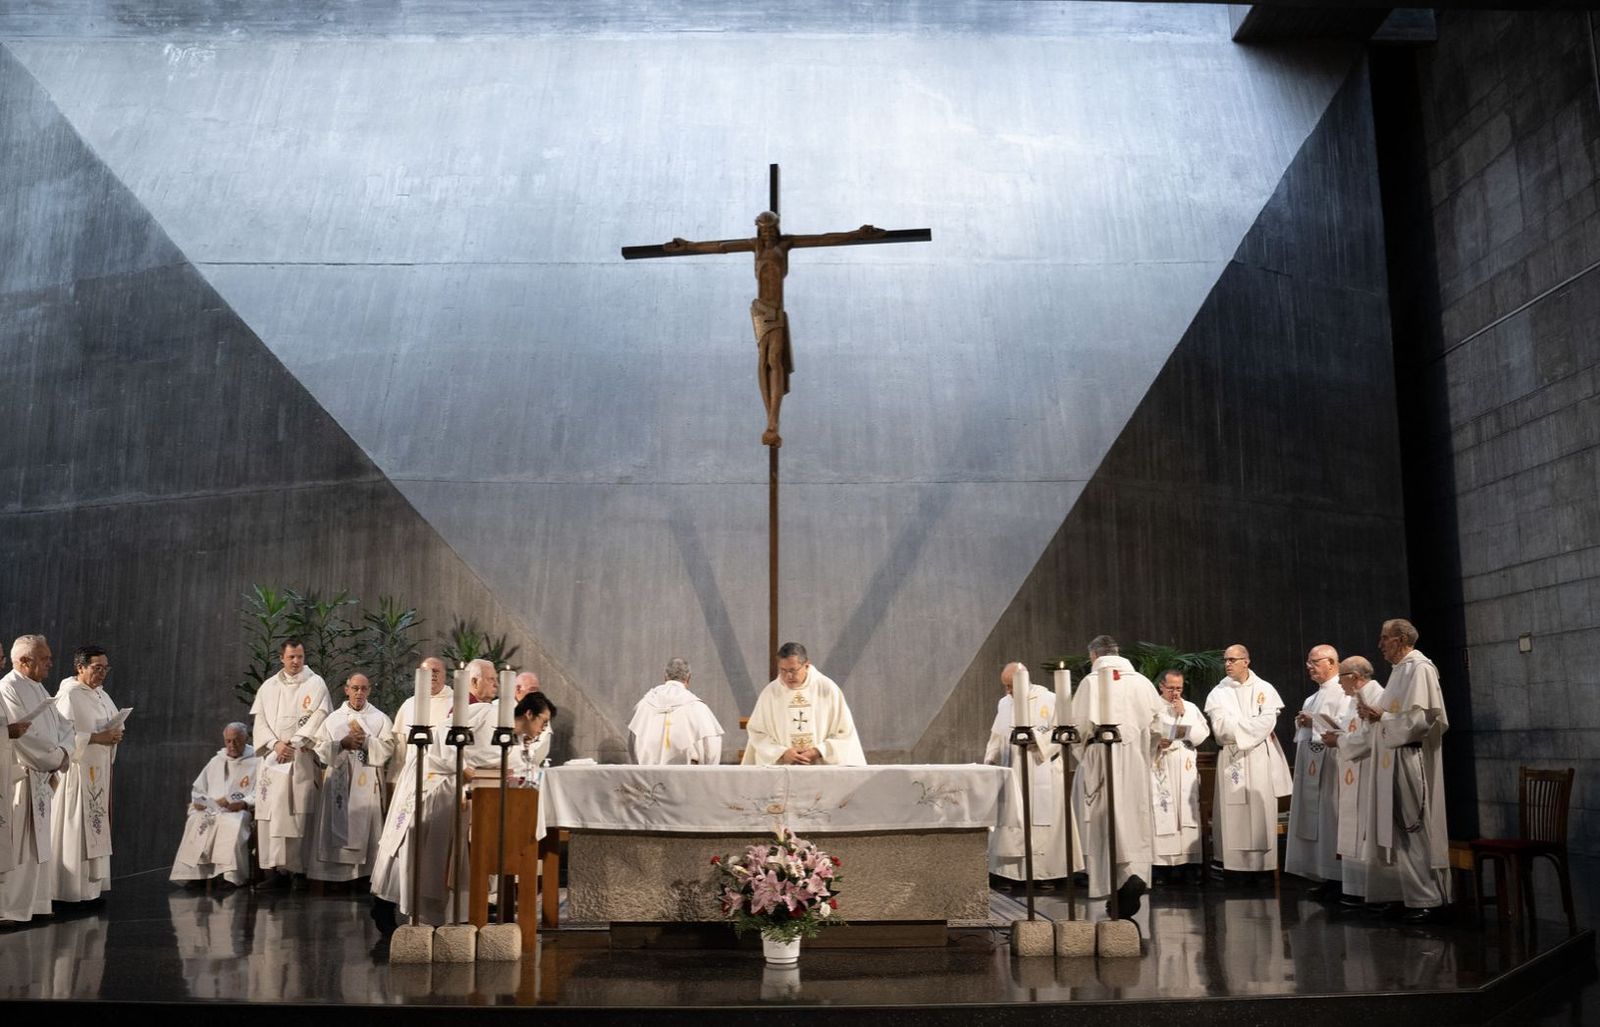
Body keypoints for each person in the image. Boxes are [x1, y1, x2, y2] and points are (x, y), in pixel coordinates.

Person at [1364, 619, 1452, 923]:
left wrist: (1382, 718)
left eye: (1384, 638)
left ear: (1401, 639)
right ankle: (1407, 894)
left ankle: (1428, 898)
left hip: (1411, 758)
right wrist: (1378, 717)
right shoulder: (1399, 671)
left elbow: (1422, 719)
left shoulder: (1420, 668)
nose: (1380, 644)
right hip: (1393, 759)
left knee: (1415, 827)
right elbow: (1394, 713)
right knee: (1397, 830)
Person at [1070, 635, 1162, 918]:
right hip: (1135, 763)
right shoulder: (1143, 683)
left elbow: (1079, 727)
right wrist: (1147, 754)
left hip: (1102, 759)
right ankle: (1133, 876)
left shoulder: (1091, 682)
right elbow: (1157, 727)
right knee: (1134, 820)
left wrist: (1084, 754)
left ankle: (1117, 885)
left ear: (1094, 656)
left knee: (1106, 821)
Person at [371, 656, 452, 931]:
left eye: (437, 672)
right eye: (427, 674)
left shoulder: (456, 705)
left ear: (445, 674)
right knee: (398, 838)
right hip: (410, 780)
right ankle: (387, 900)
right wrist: (394, 782)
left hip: (439, 785)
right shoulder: (409, 705)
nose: (432, 678)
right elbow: (401, 752)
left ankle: (422, 907)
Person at [0, 635, 74, 925]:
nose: (50, 663)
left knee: (38, 847)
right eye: (45, 659)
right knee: (19, 847)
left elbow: (65, 725)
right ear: (25, 661)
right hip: (22, 779)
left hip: (42, 776)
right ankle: (11, 909)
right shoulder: (8, 688)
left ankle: (36, 904)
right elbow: (23, 735)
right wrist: (54, 757)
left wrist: (62, 750)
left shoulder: (39, 687)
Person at [249, 638, 331, 884]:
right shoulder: (268, 687)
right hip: (273, 760)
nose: (296, 661)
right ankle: (273, 872)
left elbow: (320, 716)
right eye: (291, 657)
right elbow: (260, 721)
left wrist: (295, 742)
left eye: (300, 657)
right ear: (281, 658)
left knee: (299, 813)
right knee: (272, 815)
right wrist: (275, 744)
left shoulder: (315, 683)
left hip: (299, 758)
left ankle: (299, 871)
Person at [1204, 643, 1292, 874]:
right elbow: (1220, 728)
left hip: (1259, 758)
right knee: (1233, 812)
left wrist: (1239, 725)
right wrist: (1250, 724)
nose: (1227, 664)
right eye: (1225, 660)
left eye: (1232, 660)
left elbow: (1267, 722)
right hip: (1232, 760)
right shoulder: (1218, 693)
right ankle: (1233, 866)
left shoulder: (1265, 689)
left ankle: (1263, 867)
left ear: (1246, 661)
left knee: (1260, 807)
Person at [984, 662, 1074, 886]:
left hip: (1043, 768)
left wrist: (1039, 744)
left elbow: (1061, 731)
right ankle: (1011, 873)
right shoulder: (1004, 703)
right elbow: (997, 735)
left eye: (1010, 686)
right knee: (1015, 821)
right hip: (1014, 769)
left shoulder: (1050, 699)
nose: (1007, 691)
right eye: (1005, 687)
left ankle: (1046, 874)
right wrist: (989, 759)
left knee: (1044, 823)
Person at [51, 645, 125, 903]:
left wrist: (114, 736)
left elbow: (114, 724)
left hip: (99, 772)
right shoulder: (69, 695)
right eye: (97, 668)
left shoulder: (102, 695)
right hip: (78, 772)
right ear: (80, 667)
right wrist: (97, 737)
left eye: (106, 668)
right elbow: (59, 735)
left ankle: (91, 890)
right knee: (76, 828)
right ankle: (69, 891)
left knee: (94, 825)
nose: (103, 673)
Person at [1327, 656, 1401, 908]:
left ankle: (1375, 892)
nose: (1339, 683)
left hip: (1369, 771)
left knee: (1368, 829)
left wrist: (1339, 742)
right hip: (1352, 770)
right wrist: (1338, 735)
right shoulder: (1353, 700)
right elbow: (1354, 731)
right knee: (1353, 827)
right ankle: (1355, 888)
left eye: (1342, 677)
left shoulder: (1377, 696)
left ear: (1356, 678)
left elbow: (1370, 736)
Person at [307, 673, 392, 883]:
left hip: (367, 779)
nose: (359, 693)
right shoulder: (333, 719)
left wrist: (367, 742)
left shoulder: (380, 718)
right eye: (355, 688)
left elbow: (389, 747)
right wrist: (342, 744)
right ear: (347, 690)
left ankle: (364, 876)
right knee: (337, 823)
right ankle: (335, 877)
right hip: (339, 781)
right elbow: (319, 747)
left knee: (367, 826)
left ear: (369, 690)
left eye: (364, 689)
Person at [741, 642, 865, 765]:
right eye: (783, 670)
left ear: (806, 665)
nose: (788, 676)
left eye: (793, 670)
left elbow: (845, 731)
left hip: (821, 767)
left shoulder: (827, 689)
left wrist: (817, 751)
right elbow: (757, 732)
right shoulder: (770, 693)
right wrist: (782, 753)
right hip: (783, 768)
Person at [1285, 644, 1345, 895]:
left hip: (1333, 767)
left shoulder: (1345, 692)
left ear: (1331, 662)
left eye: (1314, 662)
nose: (1309, 667)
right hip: (1312, 766)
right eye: (1308, 662)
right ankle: (1324, 874)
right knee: (1318, 823)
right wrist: (1303, 723)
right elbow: (1304, 735)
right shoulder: (1312, 697)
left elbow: (1346, 725)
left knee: (1332, 820)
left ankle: (1340, 877)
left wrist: (1314, 722)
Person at [171, 723, 259, 887]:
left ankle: (229, 876)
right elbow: (198, 789)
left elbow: (261, 791)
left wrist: (245, 803)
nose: (232, 745)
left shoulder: (256, 760)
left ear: (245, 739)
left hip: (238, 810)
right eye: (228, 741)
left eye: (236, 741)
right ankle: (197, 875)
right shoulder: (216, 761)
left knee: (232, 822)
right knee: (195, 820)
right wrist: (200, 802)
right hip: (214, 810)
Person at [1150, 669, 1211, 879]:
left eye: (1179, 688)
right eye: (1171, 688)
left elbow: (1202, 736)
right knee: (1164, 809)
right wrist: (1156, 742)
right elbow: (1142, 735)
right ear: (1161, 687)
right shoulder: (1152, 708)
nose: (1175, 693)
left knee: (1186, 809)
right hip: (1161, 764)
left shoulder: (1190, 708)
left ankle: (1188, 865)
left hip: (1184, 766)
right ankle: (1162, 868)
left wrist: (1184, 715)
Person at [629, 658, 724, 765]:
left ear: (665, 677)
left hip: (649, 778)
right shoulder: (698, 708)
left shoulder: (643, 706)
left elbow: (633, 745)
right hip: (686, 777)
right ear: (688, 678)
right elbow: (712, 747)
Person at [508, 692, 557, 787]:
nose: (544, 728)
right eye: (544, 722)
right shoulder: (492, 717)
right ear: (529, 714)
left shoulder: (520, 739)